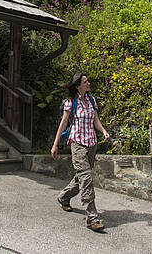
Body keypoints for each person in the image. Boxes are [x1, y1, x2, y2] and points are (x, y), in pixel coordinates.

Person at [51, 73, 110, 232]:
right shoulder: (71, 103)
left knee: (81, 177)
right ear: (78, 85)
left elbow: (95, 120)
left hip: (91, 144)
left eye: (87, 81)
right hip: (77, 144)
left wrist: (103, 131)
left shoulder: (91, 100)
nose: (88, 83)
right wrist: (55, 145)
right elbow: (63, 124)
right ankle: (92, 217)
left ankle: (63, 197)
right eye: (85, 82)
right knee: (86, 178)